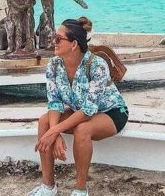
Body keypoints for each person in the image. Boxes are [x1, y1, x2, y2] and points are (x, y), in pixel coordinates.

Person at [29, 18, 128, 196]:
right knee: (44, 121)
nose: (54, 42)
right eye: (53, 37)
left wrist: (54, 131)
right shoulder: (54, 64)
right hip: (79, 111)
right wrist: (54, 131)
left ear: (74, 44)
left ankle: (80, 190)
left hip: (111, 112)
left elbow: (89, 110)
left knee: (83, 129)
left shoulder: (96, 65)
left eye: (58, 39)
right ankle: (48, 187)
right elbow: (54, 102)